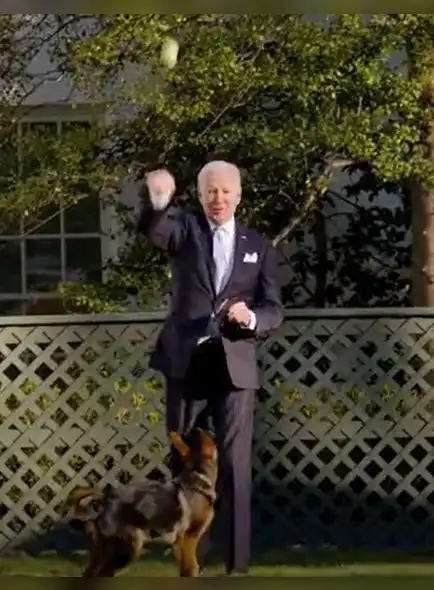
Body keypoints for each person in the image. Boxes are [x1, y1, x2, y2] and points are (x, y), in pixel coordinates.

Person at [139, 161, 285, 574]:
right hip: (186, 365)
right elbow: (154, 229)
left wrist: (253, 318)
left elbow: (274, 308)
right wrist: (159, 200)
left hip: (234, 368)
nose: (217, 199)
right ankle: (191, 565)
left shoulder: (258, 246)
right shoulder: (184, 231)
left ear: (238, 195)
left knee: (236, 469)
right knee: (183, 466)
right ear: (200, 196)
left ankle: (237, 567)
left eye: (224, 192)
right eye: (209, 192)